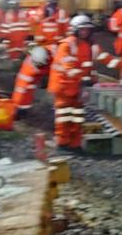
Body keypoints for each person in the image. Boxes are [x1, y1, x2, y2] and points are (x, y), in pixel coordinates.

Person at [46, 16, 108, 150]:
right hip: (64, 86)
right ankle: (63, 143)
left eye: (87, 30)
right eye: (82, 30)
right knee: (64, 116)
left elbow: (100, 60)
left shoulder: (88, 46)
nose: (85, 32)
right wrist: (84, 79)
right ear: (75, 30)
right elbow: (68, 67)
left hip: (77, 87)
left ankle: (75, 143)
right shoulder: (66, 44)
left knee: (77, 116)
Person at [11, 44, 51, 115]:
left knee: (25, 97)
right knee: (22, 98)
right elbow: (44, 71)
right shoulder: (32, 68)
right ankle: (19, 111)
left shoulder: (35, 56)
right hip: (25, 84)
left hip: (27, 83)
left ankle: (21, 110)